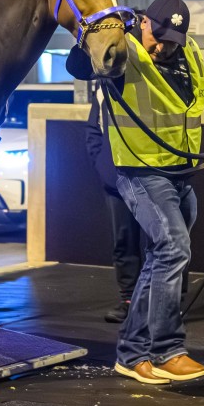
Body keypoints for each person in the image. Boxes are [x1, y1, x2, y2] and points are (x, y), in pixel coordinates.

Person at [67, 0, 204, 386]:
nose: (163, 46)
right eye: (158, 36)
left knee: (160, 258)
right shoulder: (125, 50)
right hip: (139, 171)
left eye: (171, 39)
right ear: (144, 23)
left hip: (179, 172)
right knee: (173, 246)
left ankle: (131, 352)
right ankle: (167, 350)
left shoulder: (185, 51)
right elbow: (77, 66)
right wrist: (99, 32)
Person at [81, 81, 142, 324]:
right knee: (123, 241)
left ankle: (162, 304)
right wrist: (104, 166)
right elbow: (93, 129)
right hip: (117, 178)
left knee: (162, 243)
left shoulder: (149, 81)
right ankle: (128, 300)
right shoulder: (103, 87)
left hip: (154, 175)